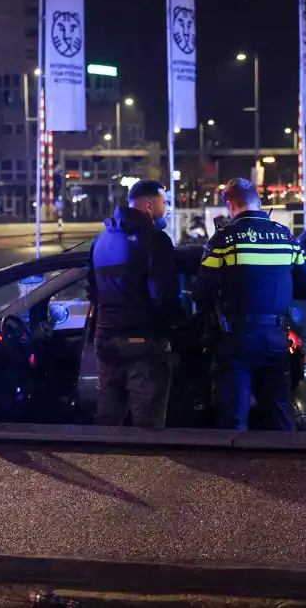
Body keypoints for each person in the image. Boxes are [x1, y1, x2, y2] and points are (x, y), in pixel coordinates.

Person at [193, 178, 306, 431]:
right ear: (258, 201)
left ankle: (234, 469)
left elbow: (202, 293)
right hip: (276, 337)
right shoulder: (287, 237)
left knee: (233, 416)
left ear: (230, 204)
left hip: (237, 338)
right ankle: (290, 466)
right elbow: (303, 289)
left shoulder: (223, 240)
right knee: (279, 411)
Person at [86, 179, 182, 428]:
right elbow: (164, 296)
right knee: (146, 429)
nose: (167, 209)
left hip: (105, 341)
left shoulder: (101, 241)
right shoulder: (155, 240)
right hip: (143, 344)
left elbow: (93, 291)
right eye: (165, 202)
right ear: (149, 205)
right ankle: (142, 467)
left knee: (108, 421)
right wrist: (179, 330)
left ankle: (105, 466)